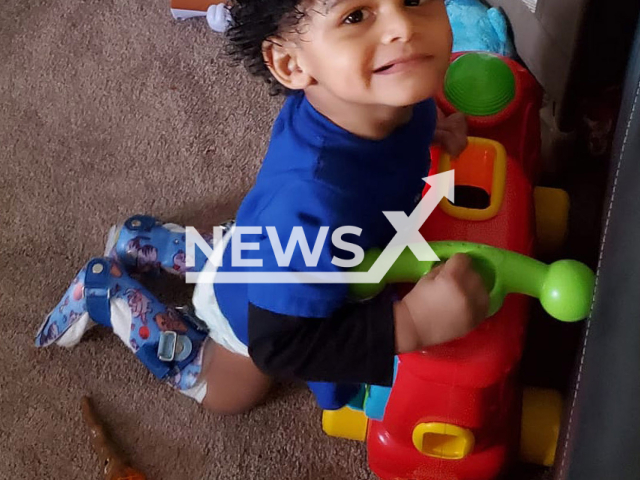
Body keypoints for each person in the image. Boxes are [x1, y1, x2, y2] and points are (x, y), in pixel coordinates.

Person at [36, 0, 489, 415]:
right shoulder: (313, 199)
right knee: (230, 393)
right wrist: (409, 323)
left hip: (273, 245)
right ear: (291, 64)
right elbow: (279, 346)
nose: (404, 27)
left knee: (253, 246)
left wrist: (433, 130)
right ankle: (106, 291)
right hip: (260, 296)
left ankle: (142, 242)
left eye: (413, 0)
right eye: (355, 16)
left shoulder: (384, 91)